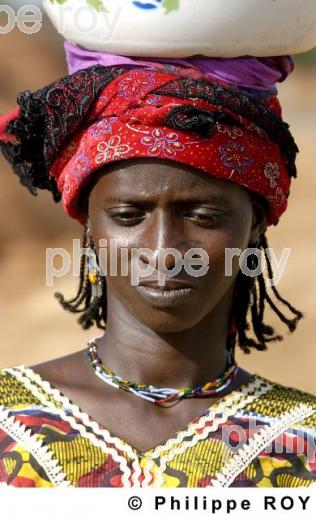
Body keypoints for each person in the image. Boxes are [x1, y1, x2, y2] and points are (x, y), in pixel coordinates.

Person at [0, 51, 315, 488]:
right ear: (89, 224)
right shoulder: (8, 420)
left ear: (256, 224)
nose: (165, 252)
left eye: (202, 216)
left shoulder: (304, 445)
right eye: (129, 216)